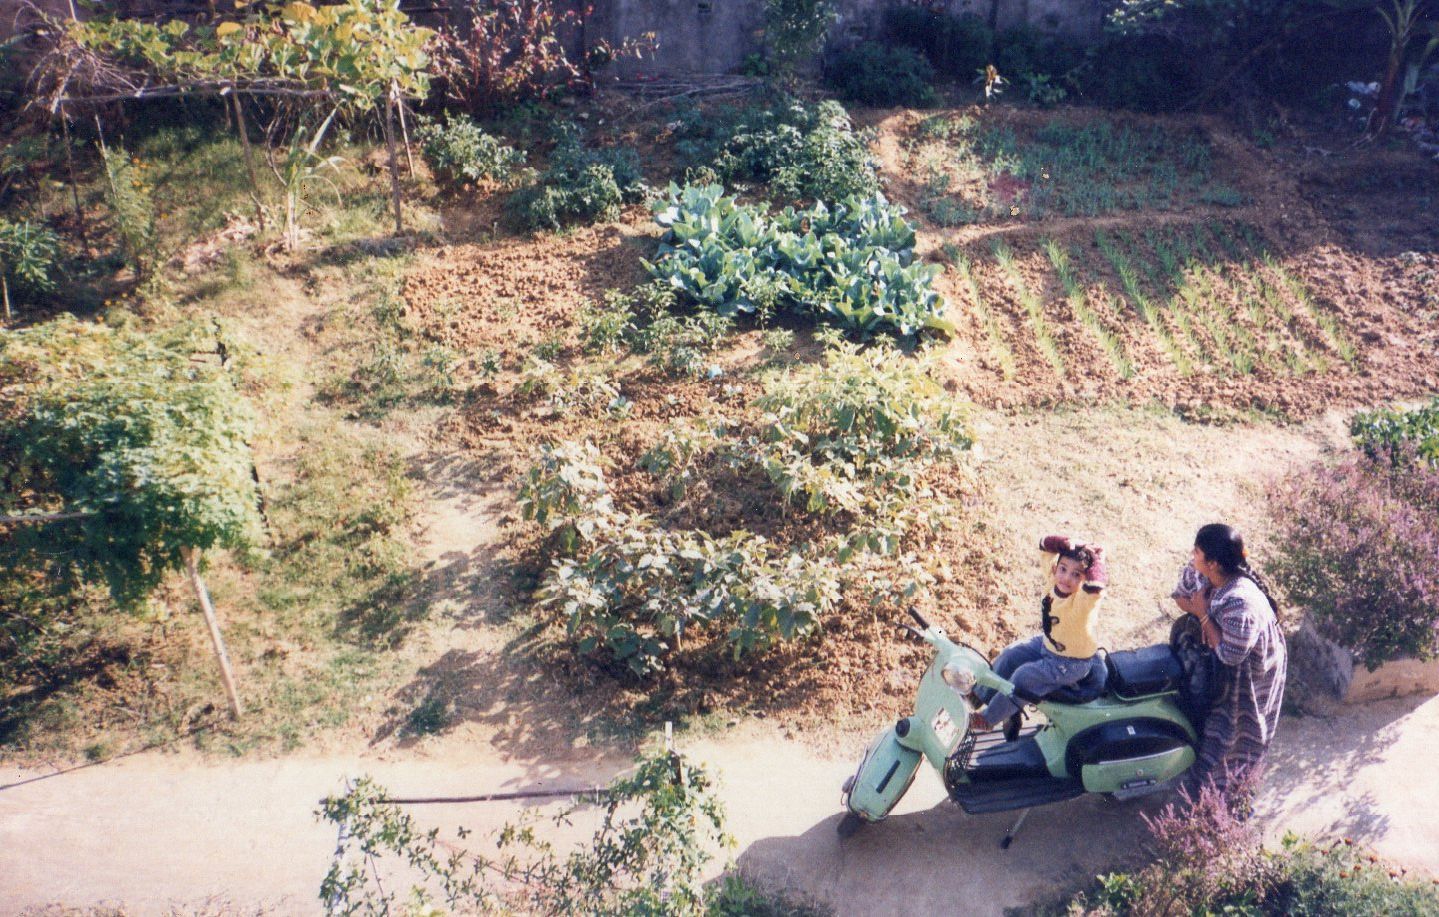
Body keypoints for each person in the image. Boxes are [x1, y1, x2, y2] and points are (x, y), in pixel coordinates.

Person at [1174, 523, 1287, 802]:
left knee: (1237, 738)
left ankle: (1228, 803)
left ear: (1212, 563)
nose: (1192, 554)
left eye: (1197, 551)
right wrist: (1200, 611)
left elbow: (1229, 654)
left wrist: (1202, 615)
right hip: (1221, 666)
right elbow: (1180, 596)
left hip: (1249, 675)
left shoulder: (1241, 603)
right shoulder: (1203, 574)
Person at [970, 535, 1108, 733]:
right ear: (1055, 568)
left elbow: (1096, 588)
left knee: (1024, 677)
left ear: (1084, 579)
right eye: (1063, 569)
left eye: (1076, 575)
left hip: (1071, 663)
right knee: (1011, 654)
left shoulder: (1082, 603)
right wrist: (1066, 542)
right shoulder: (1053, 581)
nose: (1067, 578)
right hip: (1049, 645)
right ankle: (980, 695)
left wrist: (1097, 561)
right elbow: (1044, 547)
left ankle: (988, 719)